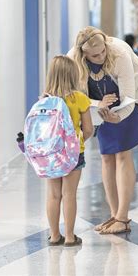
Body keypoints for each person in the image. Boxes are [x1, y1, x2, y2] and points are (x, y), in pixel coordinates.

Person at [67, 26, 138, 234]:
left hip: (128, 104)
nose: (100, 57)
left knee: (123, 154)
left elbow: (128, 95)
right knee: (107, 155)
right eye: (94, 55)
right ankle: (114, 214)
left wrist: (117, 117)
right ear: (83, 54)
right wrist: (98, 105)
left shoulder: (118, 53)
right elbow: (74, 93)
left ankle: (123, 217)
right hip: (101, 107)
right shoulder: (72, 58)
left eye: (102, 52)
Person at [44, 56, 93, 247]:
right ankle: (70, 237)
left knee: (53, 195)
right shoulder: (80, 98)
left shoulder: (45, 99)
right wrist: (77, 143)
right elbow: (88, 129)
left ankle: (55, 235)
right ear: (73, 75)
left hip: (51, 154)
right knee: (70, 194)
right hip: (72, 154)